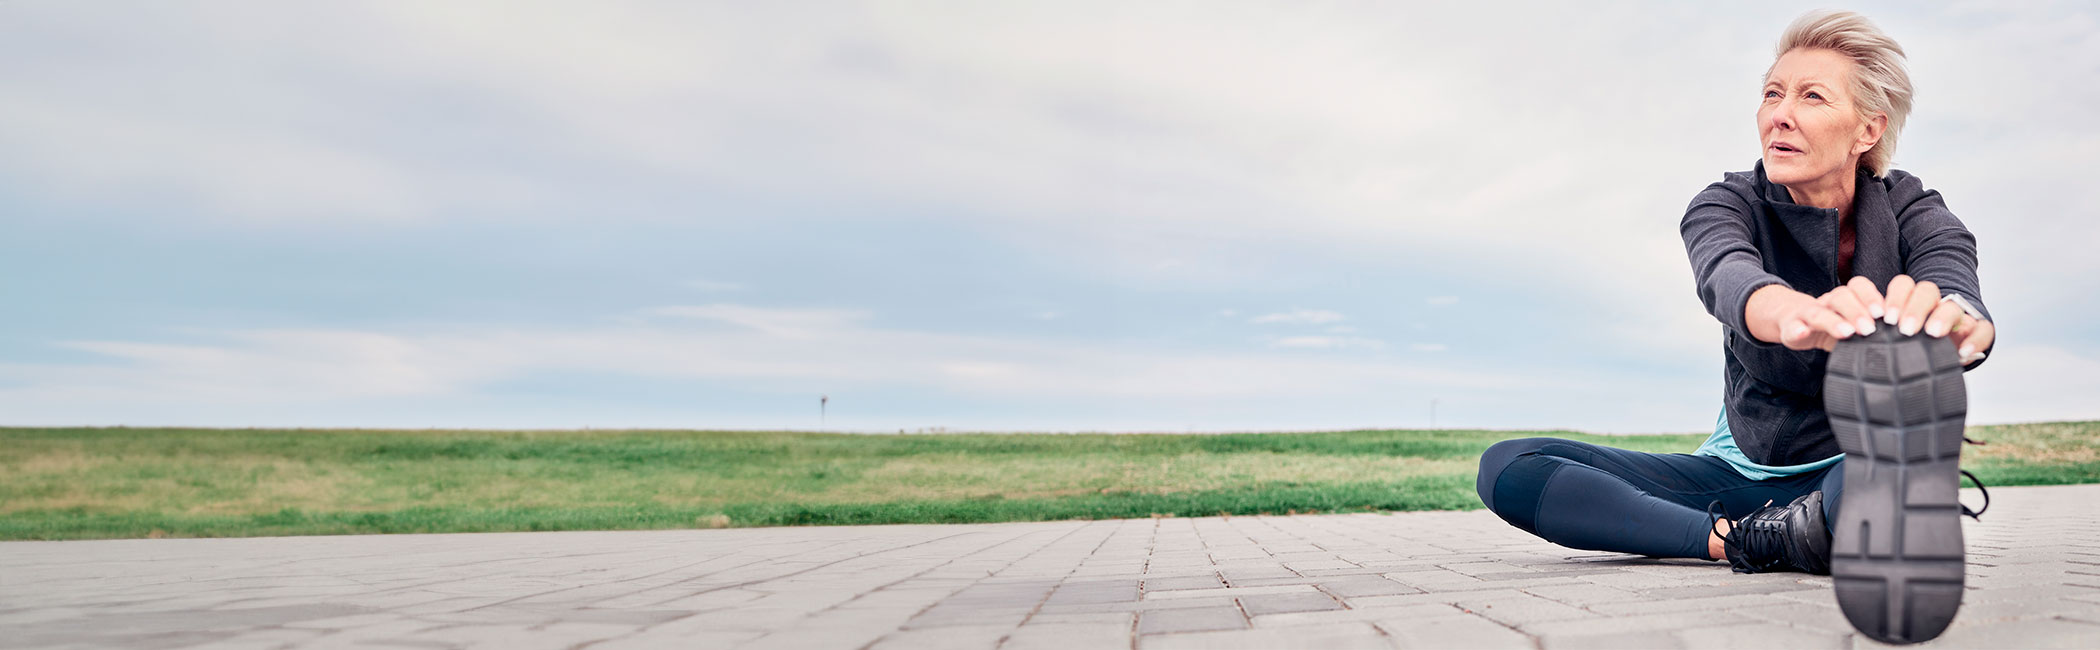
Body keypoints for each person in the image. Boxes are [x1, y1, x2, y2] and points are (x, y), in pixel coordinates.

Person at [1473, 10, 1996, 644]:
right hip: (1735, 476)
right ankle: (1743, 542)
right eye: (1772, 93)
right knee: (1510, 465)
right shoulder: (1726, 204)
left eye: (1810, 96)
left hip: (1849, 468)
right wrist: (1795, 314)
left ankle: (1854, 513)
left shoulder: (1913, 208)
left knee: (1889, 467)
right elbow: (1729, 278)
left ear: (1867, 129)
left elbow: (1953, 276)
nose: (1779, 112)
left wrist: (1958, 326)